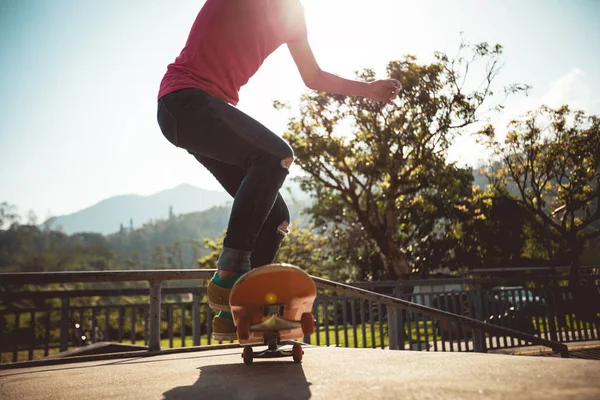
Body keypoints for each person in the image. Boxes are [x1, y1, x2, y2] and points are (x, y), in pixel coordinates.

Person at [156, 0, 401, 341]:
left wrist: (367, 89)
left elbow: (313, 77)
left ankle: (237, 313)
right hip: (184, 101)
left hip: (201, 115)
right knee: (275, 156)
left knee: (276, 218)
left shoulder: (293, 14)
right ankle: (228, 275)